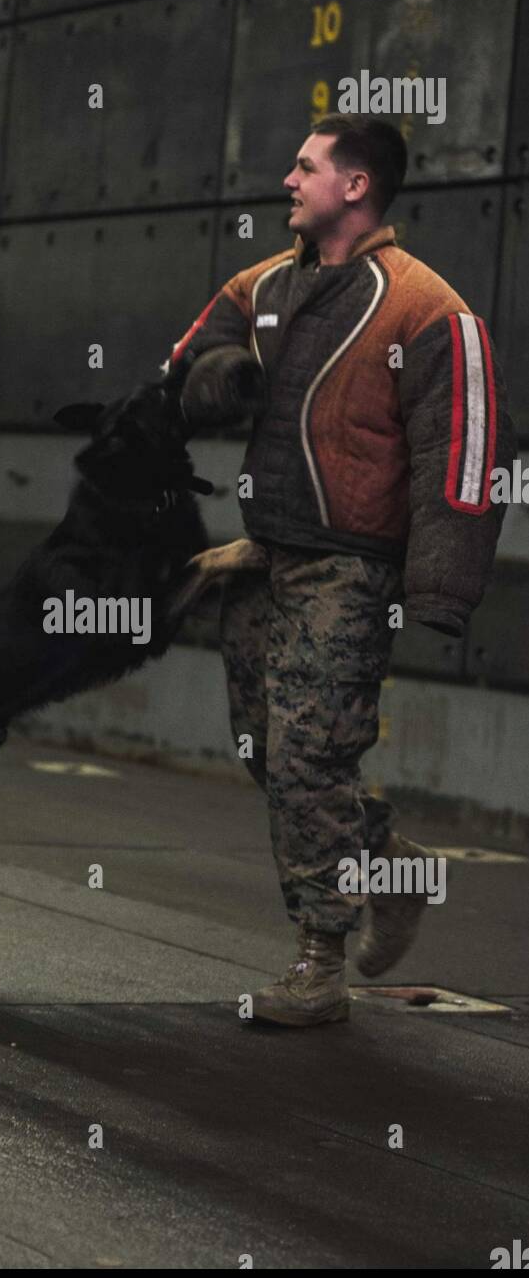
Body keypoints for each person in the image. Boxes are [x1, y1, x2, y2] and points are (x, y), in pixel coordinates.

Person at [169, 113, 515, 1027]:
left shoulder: (424, 307)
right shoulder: (263, 284)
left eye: (304, 166)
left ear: (353, 187)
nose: (287, 180)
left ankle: (319, 963)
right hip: (260, 556)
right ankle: (392, 867)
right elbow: (188, 356)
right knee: (268, 758)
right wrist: (216, 375)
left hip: (349, 571)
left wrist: (438, 587)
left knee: (308, 755)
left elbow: (466, 445)